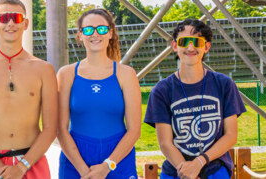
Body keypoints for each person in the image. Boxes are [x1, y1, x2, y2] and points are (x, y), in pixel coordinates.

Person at [0, 0, 58, 178]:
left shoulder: (44, 69)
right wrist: (0, 170)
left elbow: (50, 128)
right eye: (4, 18)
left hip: (32, 162)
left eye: (16, 18)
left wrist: (22, 167)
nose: (10, 23)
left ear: (25, 23)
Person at [145, 19, 245, 179]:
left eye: (196, 42)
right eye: (184, 41)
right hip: (176, 171)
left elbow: (231, 135)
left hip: (215, 169)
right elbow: (165, 142)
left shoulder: (224, 84)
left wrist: (198, 163)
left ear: (206, 47)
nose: (190, 47)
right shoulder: (161, 90)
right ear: (175, 45)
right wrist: (186, 172)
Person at [55, 9, 142, 179]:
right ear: (80, 35)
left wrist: (107, 166)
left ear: (110, 33)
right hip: (76, 157)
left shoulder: (126, 74)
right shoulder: (66, 74)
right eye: (88, 29)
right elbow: (60, 129)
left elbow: (134, 130)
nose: (95, 34)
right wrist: (84, 171)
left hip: (118, 157)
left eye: (101, 29)